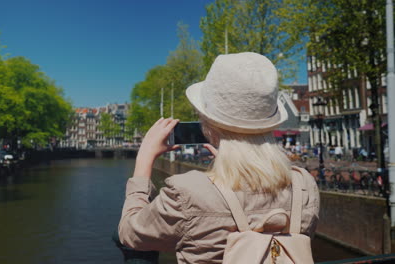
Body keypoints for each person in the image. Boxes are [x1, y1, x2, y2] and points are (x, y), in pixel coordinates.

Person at [118, 53, 320, 263]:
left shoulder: (188, 193)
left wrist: (143, 160)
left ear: (208, 124)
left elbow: (130, 233)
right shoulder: (303, 186)